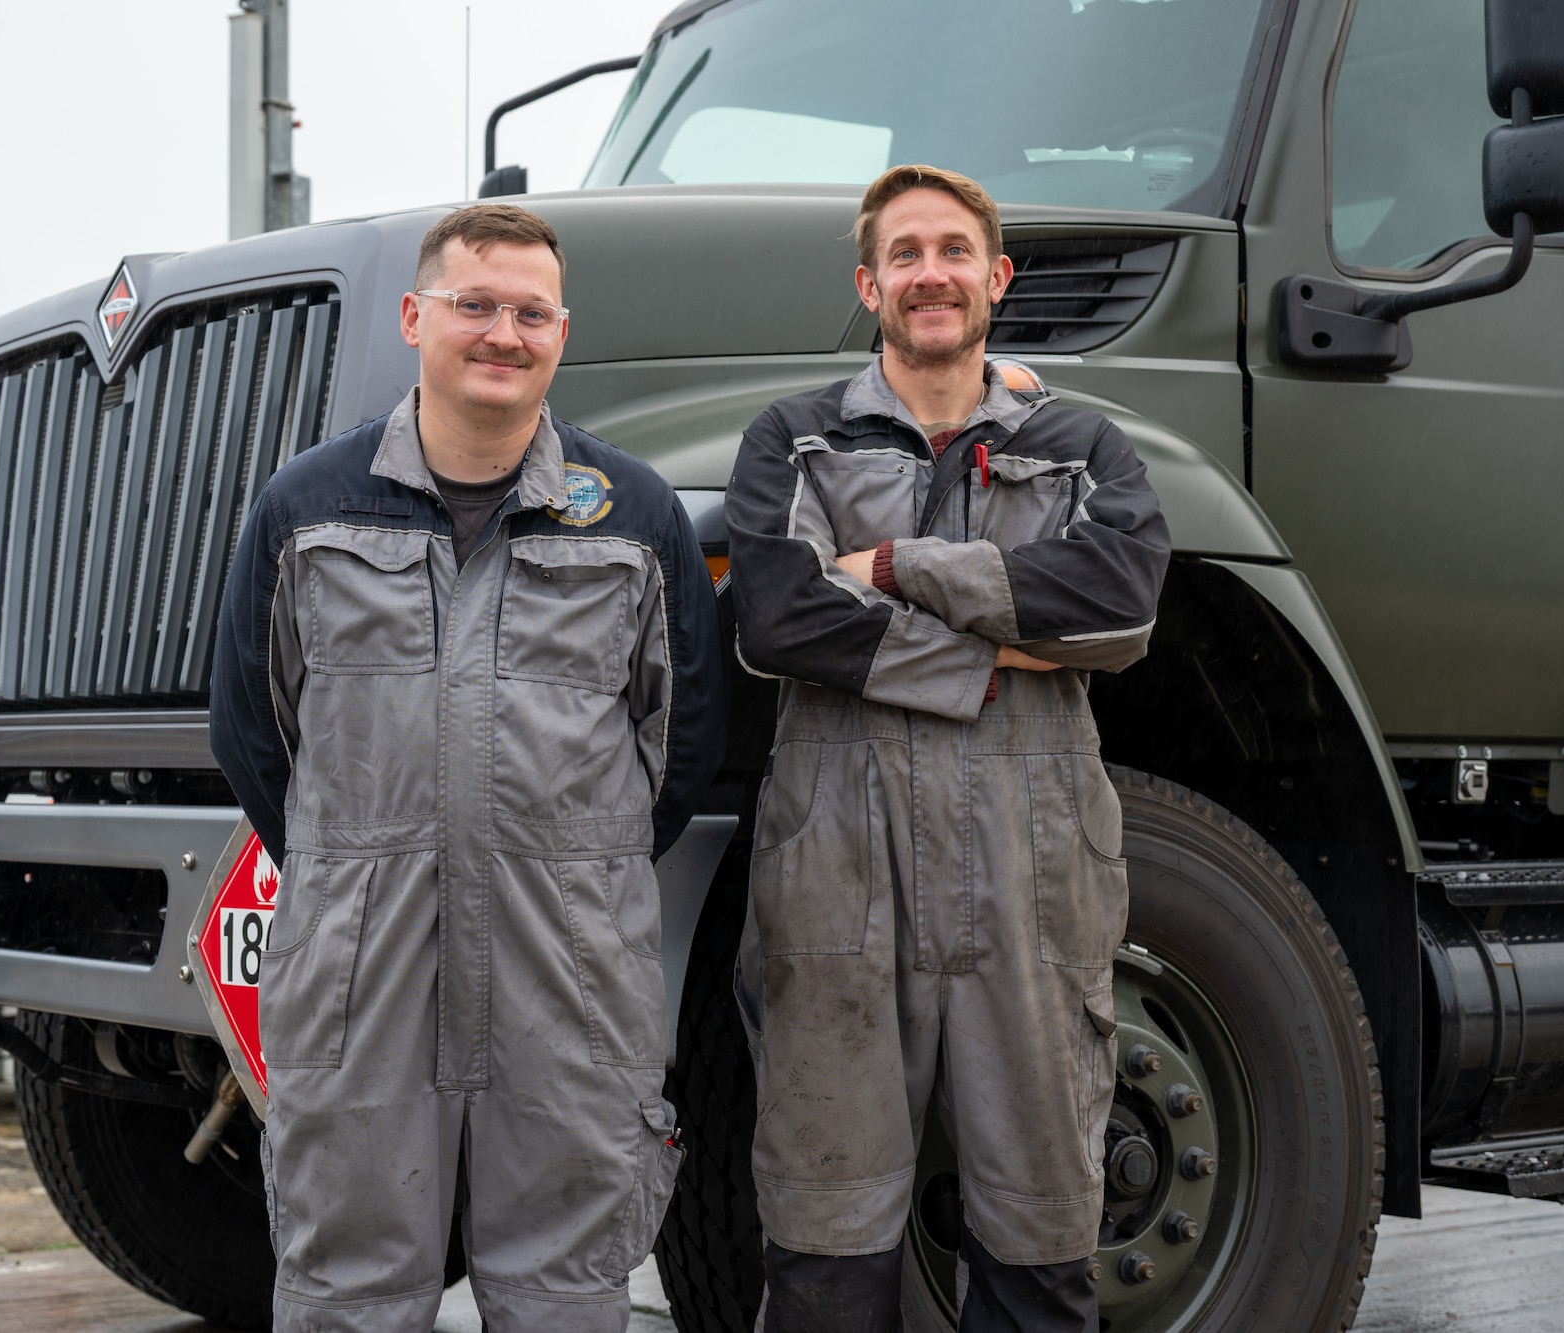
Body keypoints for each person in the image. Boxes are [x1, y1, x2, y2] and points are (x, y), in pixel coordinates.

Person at [209, 202, 725, 1332]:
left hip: (568, 970)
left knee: (563, 1288)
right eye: (474, 304)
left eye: (531, 313)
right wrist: (356, 869)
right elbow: (252, 730)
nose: (503, 333)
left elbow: (683, 741)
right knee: (348, 1285)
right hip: (359, 969)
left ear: (562, 333)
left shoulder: (635, 515)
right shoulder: (307, 507)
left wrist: (569, 871)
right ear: (414, 317)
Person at [724, 165, 1171, 1332]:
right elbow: (776, 616)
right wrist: (992, 658)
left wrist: (894, 567)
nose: (931, 273)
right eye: (905, 254)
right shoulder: (794, 438)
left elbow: (1119, 602)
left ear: (996, 277)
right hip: (836, 867)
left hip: (1032, 875)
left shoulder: (1078, 442)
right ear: (868, 284)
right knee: (824, 1232)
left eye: (953, 250)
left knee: (1039, 1228)